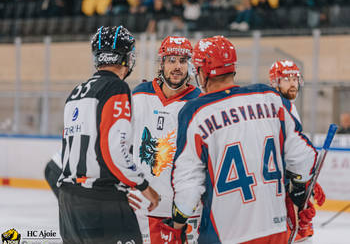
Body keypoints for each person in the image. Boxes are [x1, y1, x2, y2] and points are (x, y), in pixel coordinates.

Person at [160, 36, 318, 244]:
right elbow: (304, 158)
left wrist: (177, 225)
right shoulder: (270, 97)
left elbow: (188, 187)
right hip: (275, 230)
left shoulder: (195, 112)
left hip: (225, 234)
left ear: (202, 72)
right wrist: (298, 194)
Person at [57, 25, 159, 244]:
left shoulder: (76, 91)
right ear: (127, 57)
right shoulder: (115, 88)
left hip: (69, 202)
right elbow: (113, 150)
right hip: (101, 202)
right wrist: (143, 187)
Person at [128, 36, 201, 243]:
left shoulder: (199, 102)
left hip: (185, 211)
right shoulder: (140, 95)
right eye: (171, 60)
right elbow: (121, 146)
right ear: (161, 63)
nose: (177, 67)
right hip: (144, 208)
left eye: (183, 61)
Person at [269, 60, 326, 242]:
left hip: (288, 182)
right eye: (286, 79)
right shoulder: (274, 107)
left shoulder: (289, 106)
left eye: (295, 78)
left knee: (300, 233)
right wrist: (299, 184)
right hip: (275, 187)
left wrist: (306, 178)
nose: (292, 83)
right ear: (275, 82)